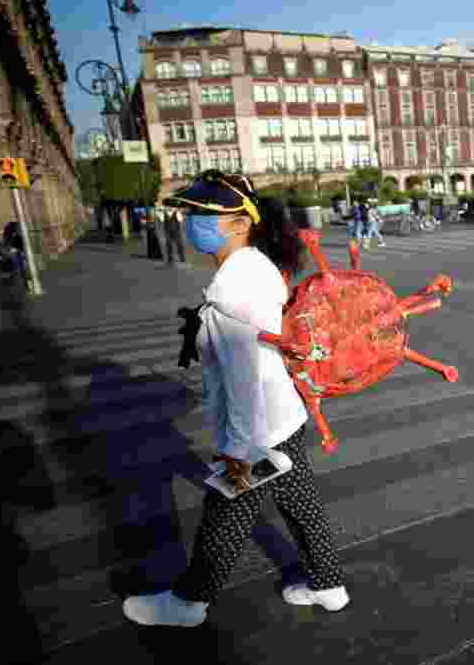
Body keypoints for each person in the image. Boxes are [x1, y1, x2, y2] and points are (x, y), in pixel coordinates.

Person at [122, 170, 349, 628]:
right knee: (299, 502)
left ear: (240, 222)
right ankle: (329, 586)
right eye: (191, 212)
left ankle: (188, 603)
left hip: (259, 428)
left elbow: (244, 373)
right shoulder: (254, 266)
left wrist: (237, 451)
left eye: (204, 213)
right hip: (283, 416)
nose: (190, 220)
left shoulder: (234, 287)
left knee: (224, 511)